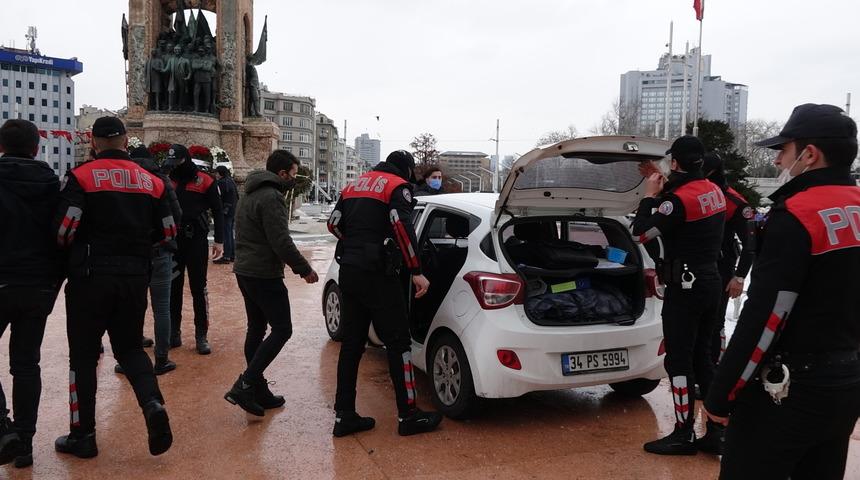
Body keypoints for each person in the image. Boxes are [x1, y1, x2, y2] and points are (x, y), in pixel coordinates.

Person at [704, 104, 860, 479]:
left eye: (783, 150)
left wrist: (723, 391)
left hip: (789, 388)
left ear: (809, 154)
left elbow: (768, 315)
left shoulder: (797, 215)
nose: (777, 161)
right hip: (847, 381)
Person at [53, 117, 174, 458]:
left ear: (93, 142)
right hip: (135, 276)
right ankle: (152, 404)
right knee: (132, 349)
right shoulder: (152, 181)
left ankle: (83, 435)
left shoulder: (81, 177)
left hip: (90, 278)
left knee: (84, 357)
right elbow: (168, 232)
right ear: (125, 141)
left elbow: (64, 230)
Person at [327, 150, 442, 437]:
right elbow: (402, 227)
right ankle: (408, 416)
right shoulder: (396, 186)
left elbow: (333, 223)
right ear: (405, 170)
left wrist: (355, 243)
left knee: (352, 345)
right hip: (378, 274)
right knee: (399, 343)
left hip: (350, 272)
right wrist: (415, 269)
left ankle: (344, 416)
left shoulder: (354, 185)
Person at [631, 135, 727, 455]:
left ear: (675, 163)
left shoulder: (677, 201)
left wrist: (649, 197)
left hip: (685, 287)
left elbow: (641, 233)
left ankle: (682, 433)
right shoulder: (714, 191)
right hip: (710, 281)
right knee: (704, 357)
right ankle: (717, 430)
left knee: (679, 360)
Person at [224, 150, 319, 416]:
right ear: (282, 173)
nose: (294, 178)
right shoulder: (272, 197)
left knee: (256, 328)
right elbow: (281, 241)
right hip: (264, 273)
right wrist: (304, 269)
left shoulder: (250, 192)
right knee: (282, 329)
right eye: (293, 173)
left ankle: (258, 389)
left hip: (245, 270)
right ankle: (245, 384)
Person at [0, 119, 61, 468]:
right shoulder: (53, 185)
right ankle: (23, 440)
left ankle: (3, 429)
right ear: (37, 148)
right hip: (38, 285)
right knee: (26, 363)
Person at [113, 146, 183, 376]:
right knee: (162, 308)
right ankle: (161, 359)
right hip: (160, 250)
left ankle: (128, 360)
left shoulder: (123, 179)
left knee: (131, 307)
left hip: (130, 254)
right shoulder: (160, 180)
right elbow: (176, 214)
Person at [167, 144, 223, 355]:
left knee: (199, 288)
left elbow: (218, 210)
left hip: (196, 239)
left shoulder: (204, 180)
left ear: (186, 160)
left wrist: (219, 240)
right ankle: (174, 332)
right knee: (174, 288)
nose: (175, 166)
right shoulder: (169, 179)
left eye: (178, 162)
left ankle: (201, 334)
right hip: (174, 241)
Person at [702, 152, 755, 365]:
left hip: (721, 270)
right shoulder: (690, 192)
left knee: (714, 323)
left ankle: (713, 369)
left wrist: (740, 276)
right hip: (695, 268)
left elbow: (751, 244)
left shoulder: (735, 202)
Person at [213, 165, 238, 264]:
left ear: (219, 173)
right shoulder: (231, 181)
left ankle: (227, 256)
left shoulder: (221, 183)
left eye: (216, 173)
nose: (215, 175)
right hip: (233, 210)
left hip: (225, 211)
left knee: (226, 234)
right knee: (230, 233)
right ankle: (232, 255)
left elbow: (218, 198)